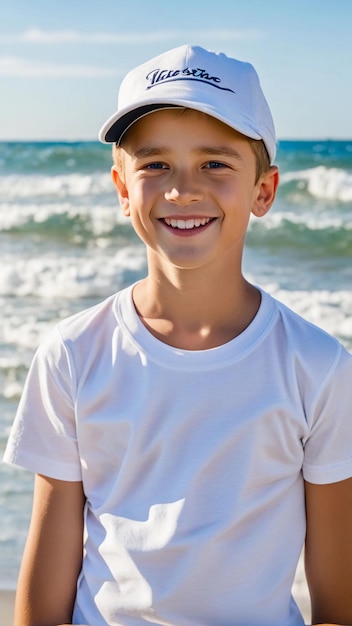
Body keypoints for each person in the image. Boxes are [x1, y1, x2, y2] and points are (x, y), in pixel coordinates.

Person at [3, 44, 352, 626]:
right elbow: (44, 592)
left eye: (216, 163)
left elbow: (339, 603)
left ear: (264, 190)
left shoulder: (318, 367)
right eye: (155, 164)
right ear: (121, 187)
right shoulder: (73, 353)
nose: (181, 189)